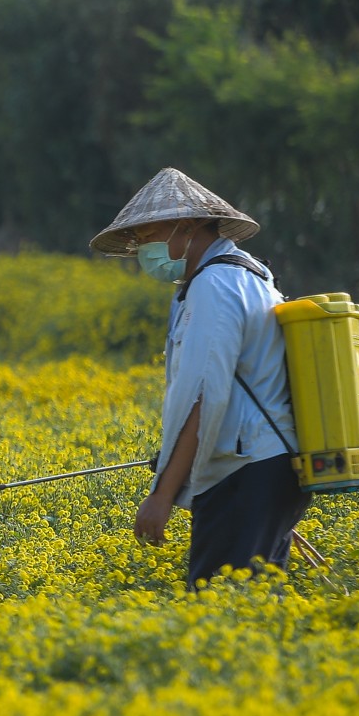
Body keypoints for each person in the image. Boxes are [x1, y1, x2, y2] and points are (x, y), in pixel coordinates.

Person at [89, 168, 312, 588]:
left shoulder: (214, 285)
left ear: (186, 226)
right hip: (267, 468)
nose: (142, 249)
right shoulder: (248, 275)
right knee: (252, 604)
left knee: (224, 605)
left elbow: (205, 397)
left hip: (248, 472)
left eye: (148, 234)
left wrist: (162, 495)